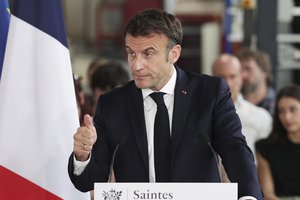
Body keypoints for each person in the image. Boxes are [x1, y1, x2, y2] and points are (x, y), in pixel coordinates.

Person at [68, 8, 263, 200]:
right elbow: (90, 182)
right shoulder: (112, 104)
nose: (136, 65)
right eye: (131, 53)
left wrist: (248, 196)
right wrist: (83, 156)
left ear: (174, 54)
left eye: (148, 53)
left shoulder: (209, 93)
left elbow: (234, 149)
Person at [212, 54, 272, 159]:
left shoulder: (261, 117)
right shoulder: (195, 114)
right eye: (221, 77)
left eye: (232, 76)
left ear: (241, 78)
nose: (228, 83)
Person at [255, 85, 300, 200]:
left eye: (293, 109)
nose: (287, 117)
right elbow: (268, 194)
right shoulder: (265, 148)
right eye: (281, 111)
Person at [236, 48, 276, 114]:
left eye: (248, 69)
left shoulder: (280, 105)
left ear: (264, 71)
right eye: (239, 70)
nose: (243, 75)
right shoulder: (232, 105)